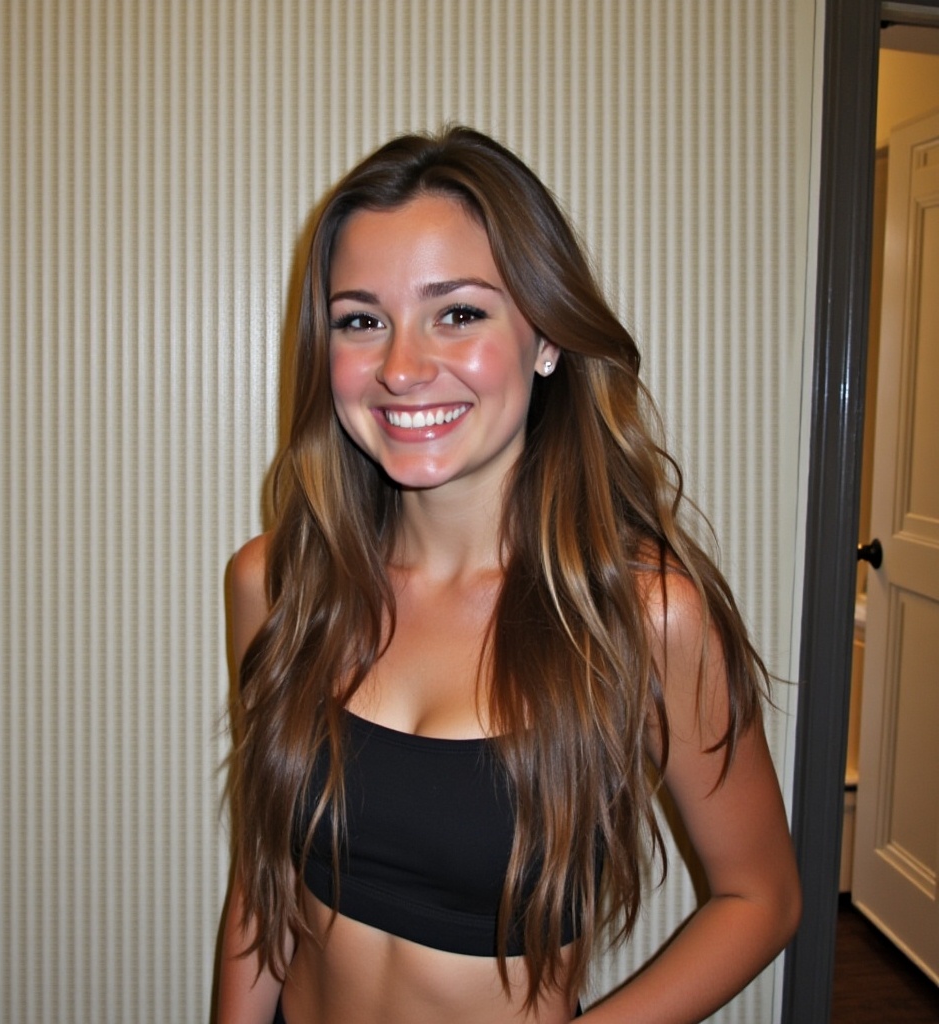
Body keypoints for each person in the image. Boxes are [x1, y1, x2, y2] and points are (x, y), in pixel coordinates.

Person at [218, 126, 801, 1024]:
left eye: (458, 312)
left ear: (546, 339)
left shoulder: (645, 620)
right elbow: (264, 883)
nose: (403, 368)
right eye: (361, 320)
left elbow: (761, 899)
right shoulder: (277, 584)